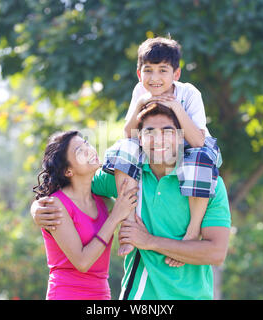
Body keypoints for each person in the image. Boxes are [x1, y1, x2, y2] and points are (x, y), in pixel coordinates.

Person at [32, 104, 231, 299]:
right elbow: (73, 186)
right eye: (150, 132)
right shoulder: (125, 179)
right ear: (139, 139)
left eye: (167, 131)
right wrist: (37, 209)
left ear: (180, 136)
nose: (159, 139)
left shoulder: (208, 185)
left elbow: (216, 253)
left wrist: (149, 242)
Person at [102, 36, 222, 256]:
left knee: (199, 158)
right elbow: (129, 134)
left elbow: (198, 141)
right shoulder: (140, 91)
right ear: (139, 74)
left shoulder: (189, 93)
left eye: (162, 70)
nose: (154, 78)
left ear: (176, 74)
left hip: (192, 149)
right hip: (157, 149)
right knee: (123, 149)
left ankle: (193, 230)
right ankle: (129, 224)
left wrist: (176, 107)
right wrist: (139, 103)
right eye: (148, 70)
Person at [32, 130, 138, 300]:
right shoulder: (56, 205)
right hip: (66, 294)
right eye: (79, 151)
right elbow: (82, 262)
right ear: (68, 171)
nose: (89, 150)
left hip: (101, 295)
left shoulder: (104, 201)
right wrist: (115, 217)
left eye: (86, 144)